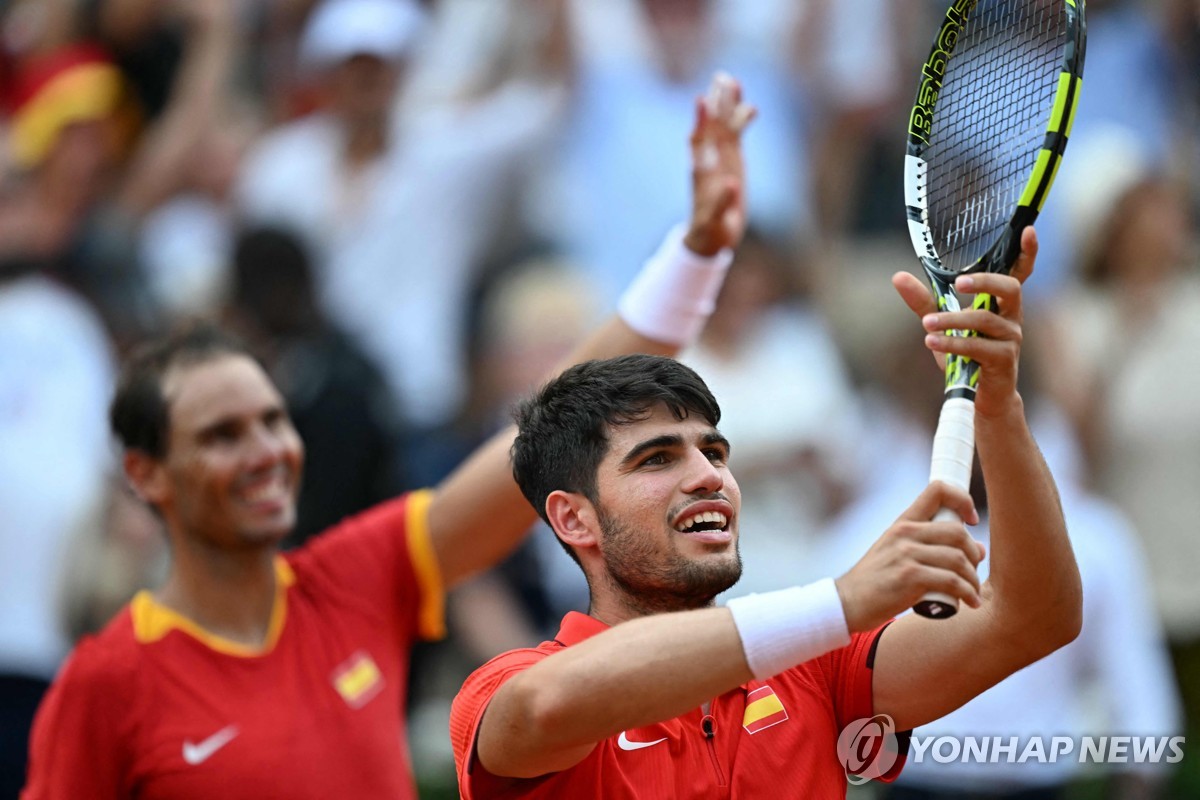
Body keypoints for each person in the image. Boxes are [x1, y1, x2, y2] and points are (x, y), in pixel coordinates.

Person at [20, 72, 757, 800]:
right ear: (146, 473)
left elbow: (554, 420)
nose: (266, 453)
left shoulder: (354, 579)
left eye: (274, 421)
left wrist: (694, 259)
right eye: (221, 435)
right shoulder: (108, 679)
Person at [449, 227, 1083, 798]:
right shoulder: (509, 685)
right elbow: (546, 708)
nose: (709, 476)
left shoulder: (814, 668)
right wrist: (841, 603)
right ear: (572, 520)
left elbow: (1035, 617)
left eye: (715, 453)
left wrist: (998, 409)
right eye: (656, 460)